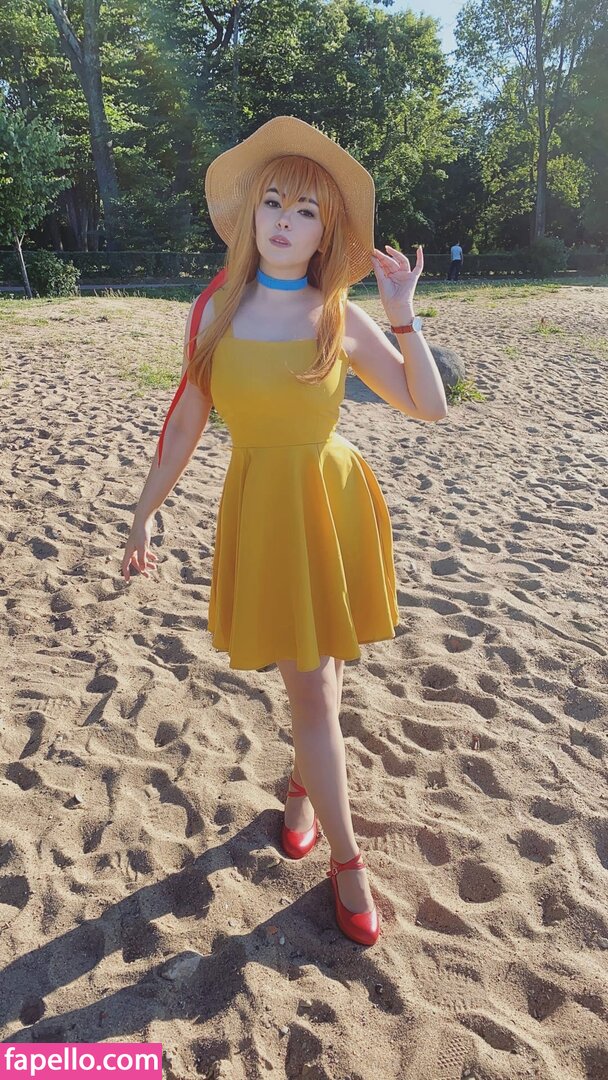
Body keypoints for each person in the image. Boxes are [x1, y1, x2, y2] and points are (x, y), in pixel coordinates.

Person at [120, 116, 447, 947]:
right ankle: (330, 832)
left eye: (305, 211)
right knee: (314, 689)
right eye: (273, 202)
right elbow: (186, 422)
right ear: (250, 215)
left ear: (324, 233)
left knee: (318, 686)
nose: (284, 221)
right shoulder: (214, 311)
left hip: (331, 502)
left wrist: (403, 316)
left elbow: (429, 406)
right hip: (263, 504)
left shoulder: (337, 314)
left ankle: (330, 836)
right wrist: (145, 509)